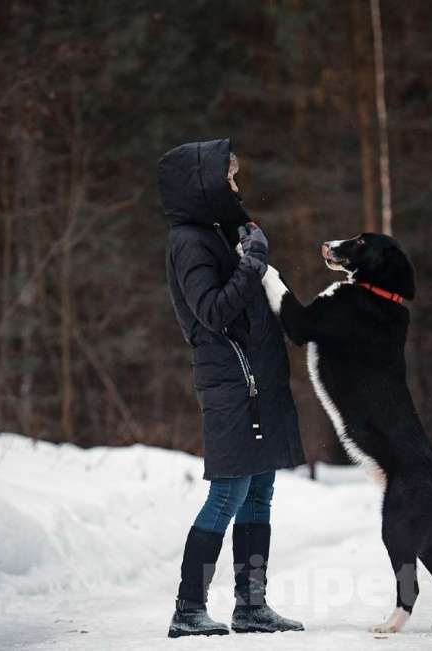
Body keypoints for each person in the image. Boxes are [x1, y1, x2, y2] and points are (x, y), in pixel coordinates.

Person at [158, 138, 307, 638]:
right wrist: (253, 262)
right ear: (204, 185)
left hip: (254, 381)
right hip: (229, 382)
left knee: (259, 493)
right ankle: (188, 608)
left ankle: (251, 606)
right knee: (228, 493)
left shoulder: (219, 233)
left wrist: (249, 253)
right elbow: (213, 311)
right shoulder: (188, 241)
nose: (236, 187)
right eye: (228, 178)